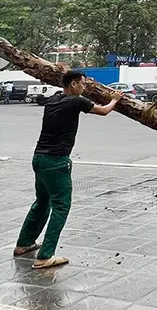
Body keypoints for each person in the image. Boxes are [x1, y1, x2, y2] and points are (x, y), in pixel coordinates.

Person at [13, 70, 123, 269]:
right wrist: (115, 99)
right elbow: (104, 111)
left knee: (42, 201)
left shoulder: (53, 99)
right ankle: (45, 255)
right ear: (73, 84)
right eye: (82, 84)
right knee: (61, 206)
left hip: (39, 159)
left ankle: (24, 243)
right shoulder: (76, 101)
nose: (85, 88)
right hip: (56, 161)